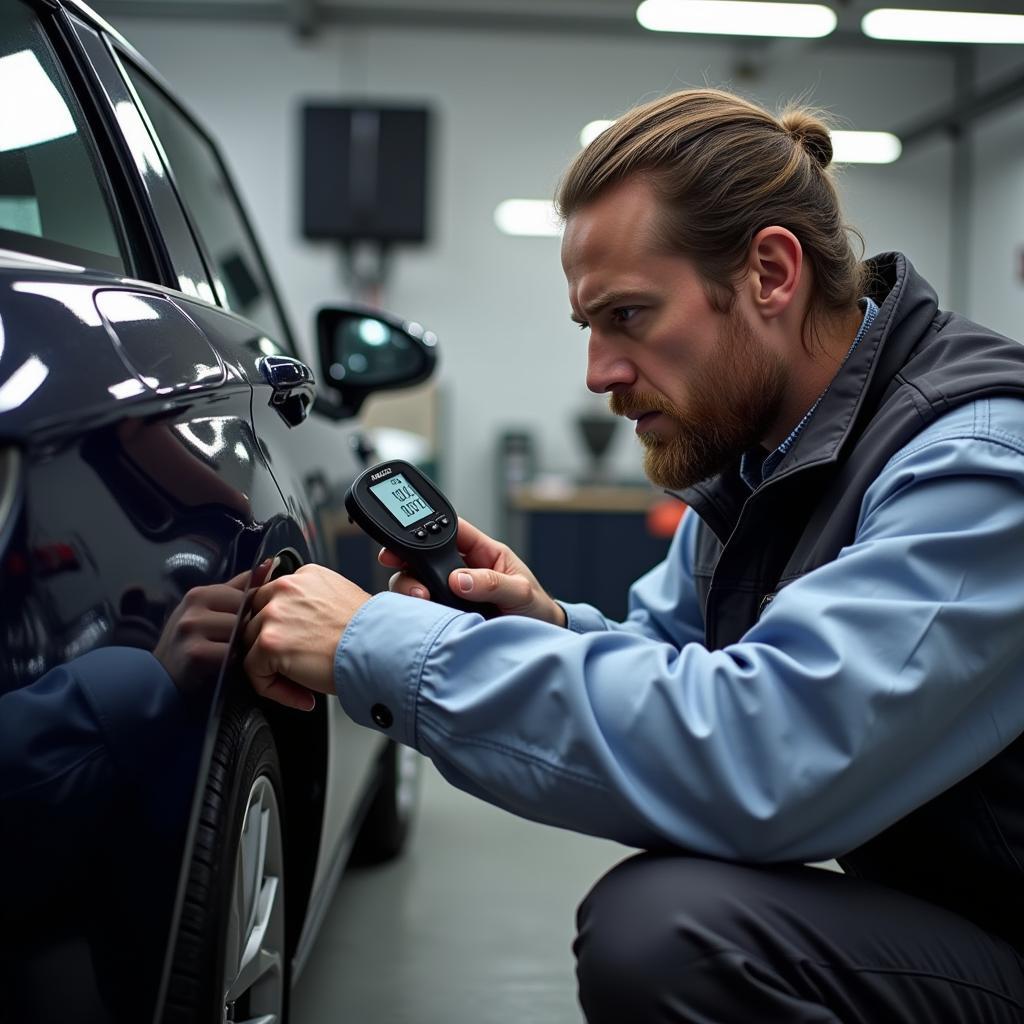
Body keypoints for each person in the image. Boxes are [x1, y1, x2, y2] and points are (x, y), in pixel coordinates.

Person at [242, 88, 1024, 1021]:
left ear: (772, 274)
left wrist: (380, 644)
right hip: (960, 906)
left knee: (670, 931)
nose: (599, 373)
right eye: (590, 327)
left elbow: (764, 754)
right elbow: (677, 659)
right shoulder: (760, 455)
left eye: (629, 316)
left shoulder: (974, 468)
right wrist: (546, 624)